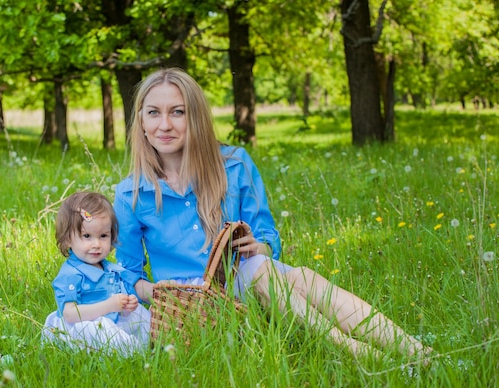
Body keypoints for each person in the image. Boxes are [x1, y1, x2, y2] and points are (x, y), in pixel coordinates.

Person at [113, 67, 431, 359]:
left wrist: (258, 247)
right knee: (279, 275)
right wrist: (160, 293)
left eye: (177, 112)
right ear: (140, 119)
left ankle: (417, 352)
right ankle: (368, 356)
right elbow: (129, 274)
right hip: (194, 305)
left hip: (251, 280)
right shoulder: (130, 194)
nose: (164, 124)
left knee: (292, 275)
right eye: (153, 112)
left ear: (195, 117)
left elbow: (266, 235)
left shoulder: (234, 165)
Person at [42, 191, 150, 356]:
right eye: (87, 236)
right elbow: (70, 314)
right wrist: (110, 305)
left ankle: (152, 345)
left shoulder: (109, 269)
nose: (97, 244)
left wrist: (126, 306)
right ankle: (134, 354)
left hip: (108, 318)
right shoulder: (71, 274)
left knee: (140, 313)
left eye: (103, 236)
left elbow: (116, 302)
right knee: (102, 330)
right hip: (80, 325)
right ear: (68, 240)